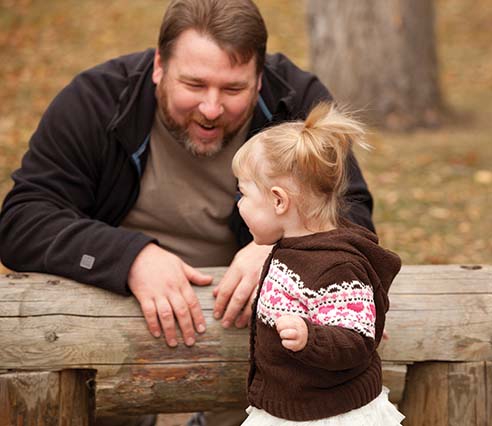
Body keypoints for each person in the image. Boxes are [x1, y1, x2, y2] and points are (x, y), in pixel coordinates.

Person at [0, 1, 373, 424]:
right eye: (194, 85)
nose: (211, 109)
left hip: (252, 348)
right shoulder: (95, 100)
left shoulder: (297, 102)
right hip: (114, 329)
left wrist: (284, 252)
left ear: (259, 79)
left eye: (233, 90)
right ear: (160, 66)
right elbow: (22, 221)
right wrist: (128, 257)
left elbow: (354, 216)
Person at [231, 102, 404, 425]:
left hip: (330, 416)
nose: (239, 204)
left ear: (279, 200)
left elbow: (356, 340)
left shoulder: (337, 267)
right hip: (289, 407)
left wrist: (311, 337)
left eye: (244, 194)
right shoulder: (289, 249)